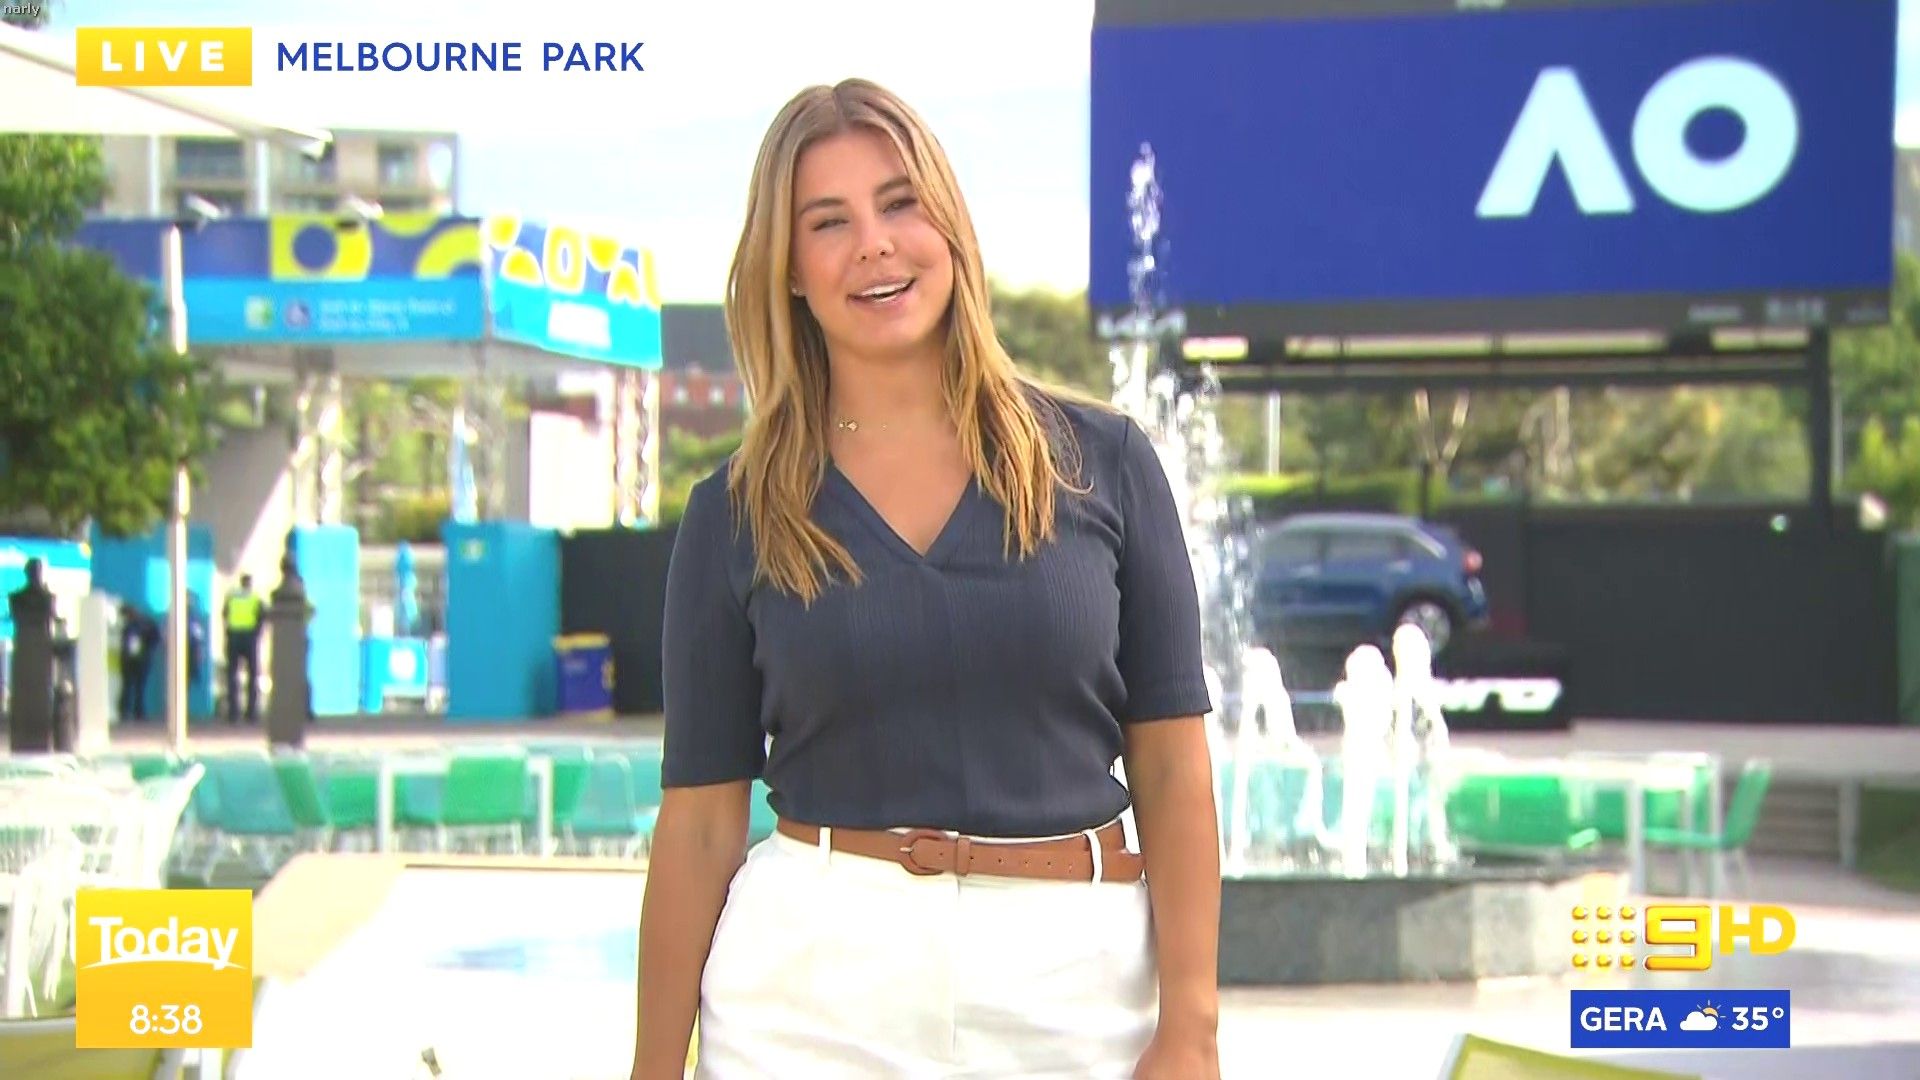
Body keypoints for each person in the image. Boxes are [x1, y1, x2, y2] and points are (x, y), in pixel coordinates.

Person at [632, 79, 1222, 1079]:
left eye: (899, 204)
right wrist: (652, 1069)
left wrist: (1193, 1028)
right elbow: (698, 827)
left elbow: (1172, 769)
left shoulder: (1106, 464)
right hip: (807, 1000)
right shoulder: (733, 512)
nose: (874, 245)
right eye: (829, 222)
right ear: (789, 270)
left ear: (948, 224)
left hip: (1074, 995)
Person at [222, 573, 263, 723]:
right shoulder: (255, 598)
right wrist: (257, 634)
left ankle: (233, 712)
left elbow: (225, 614)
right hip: (249, 638)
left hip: (234, 637)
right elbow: (261, 618)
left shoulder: (231, 597)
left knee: (232, 675)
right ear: (249, 584)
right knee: (252, 675)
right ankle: (251, 712)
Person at [116, 601, 159, 722]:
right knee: (139, 688)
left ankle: (126, 711)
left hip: (130, 660)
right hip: (143, 659)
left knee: (128, 687)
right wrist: (149, 649)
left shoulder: (129, 626)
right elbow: (155, 638)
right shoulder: (147, 622)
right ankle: (138, 712)